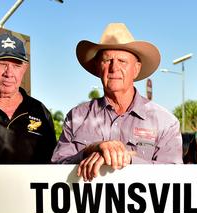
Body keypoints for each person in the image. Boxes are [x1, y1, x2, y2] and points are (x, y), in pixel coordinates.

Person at [51, 23, 183, 181]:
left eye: (122, 61)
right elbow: (55, 170)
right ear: (98, 67)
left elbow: (174, 177)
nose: (114, 68)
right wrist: (89, 151)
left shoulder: (165, 122)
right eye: (107, 61)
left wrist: (127, 161)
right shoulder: (76, 117)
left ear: (136, 69)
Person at [0, 32, 57, 164]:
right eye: (2, 64)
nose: (9, 73)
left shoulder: (40, 111)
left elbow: (52, 165)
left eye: (16, 65)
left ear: (24, 68)